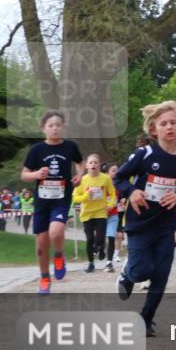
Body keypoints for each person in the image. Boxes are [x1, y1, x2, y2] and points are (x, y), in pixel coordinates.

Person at [114, 101, 176, 337]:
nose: (169, 127)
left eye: (173, 122)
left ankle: (146, 319)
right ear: (154, 130)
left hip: (166, 223)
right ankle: (127, 273)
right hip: (140, 221)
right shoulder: (145, 154)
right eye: (163, 124)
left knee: (161, 274)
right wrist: (132, 191)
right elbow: (119, 178)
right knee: (141, 272)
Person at [20, 111, 84, 294]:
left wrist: (79, 175)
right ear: (43, 128)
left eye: (58, 125)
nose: (55, 128)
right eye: (51, 125)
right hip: (42, 201)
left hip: (61, 198)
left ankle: (58, 255)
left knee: (56, 232)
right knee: (41, 245)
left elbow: (81, 162)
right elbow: (24, 175)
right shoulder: (37, 150)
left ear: (63, 126)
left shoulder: (70, 146)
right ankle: (45, 278)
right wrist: (36, 174)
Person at [72, 153, 116, 273]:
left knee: (100, 238)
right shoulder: (83, 180)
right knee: (90, 239)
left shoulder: (105, 178)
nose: (93, 164)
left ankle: (100, 247)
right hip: (86, 213)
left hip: (101, 212)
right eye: (91, 162)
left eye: (96, 162)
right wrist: (87, 195)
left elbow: (112, 193)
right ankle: (91, 263)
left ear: (100, 165)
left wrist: (110, 205)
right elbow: (75, 198)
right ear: (86, 166)